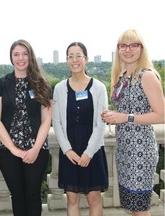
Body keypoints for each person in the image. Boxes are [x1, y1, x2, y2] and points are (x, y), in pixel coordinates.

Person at [102, 29, 165, 216]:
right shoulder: (121, 76)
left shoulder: (146, 76)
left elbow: (161, 115)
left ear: (141, 48)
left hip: (141, 150)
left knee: (140, 208)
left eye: (133, 45)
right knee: (133, 206)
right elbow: (125, 109)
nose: (128, 50)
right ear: (118, 49)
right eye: (123, 46)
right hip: (124, 150)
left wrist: (125, 117)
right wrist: (111, 115)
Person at [0, 39, 53, 216]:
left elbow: (46, 120)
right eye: (16, 54)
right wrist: (13, 149)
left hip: (37, 148)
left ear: (30, 56)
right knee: (17, 196)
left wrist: (35, 149)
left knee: (33, 195)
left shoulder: (41, 83)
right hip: (7, 150)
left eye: (25, 53)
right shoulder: (1, 83)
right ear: (11, 57)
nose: (21, 58)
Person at [52, 42, 109, 216]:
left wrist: (88, 153)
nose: (74, 60)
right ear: (66, 60)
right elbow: (57, 122)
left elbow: (101, 123)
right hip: (70, 152)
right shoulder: (60, 88)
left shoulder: (98, 87)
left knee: (94, 198)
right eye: (70, 56)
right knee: (72, 199)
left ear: (86, 59)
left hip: (93, 150)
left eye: (79, 56)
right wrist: (67, 150)